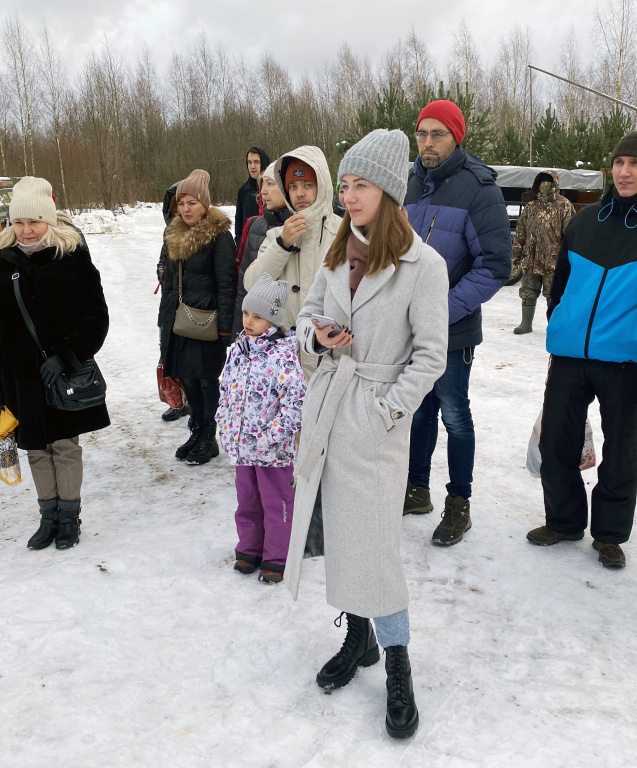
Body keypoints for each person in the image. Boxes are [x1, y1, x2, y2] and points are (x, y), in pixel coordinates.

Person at [284, 129, 449, 740]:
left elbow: (432, 356)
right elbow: (307, 316)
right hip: (329, 406)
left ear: (389, 190)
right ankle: (358, 641)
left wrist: (388, 412)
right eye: (346, 186)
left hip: (374, 422)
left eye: (360, 186)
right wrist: (316, 337)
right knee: (340, 534)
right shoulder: (335, 250)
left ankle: (399, 664)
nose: (349, 197)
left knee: (376, 549)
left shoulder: (422, 266)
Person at [527, 130, 637, 568]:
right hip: (569, 354)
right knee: (557, 441)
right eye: (619, 163)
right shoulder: (585, 220)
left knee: (620, 449)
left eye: (636, 164)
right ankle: (564, 521)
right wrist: (561, 321)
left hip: (624, 359)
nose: (625, 172)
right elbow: (561, 284)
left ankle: (608, 534)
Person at [0, 177, 110, 550]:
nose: (27, 230)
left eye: (34, 221)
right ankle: (47, 516)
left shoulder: (71, 256)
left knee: (63, 446)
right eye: (19, 222)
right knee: (34, 447)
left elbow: (96, 317)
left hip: (61, 374)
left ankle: (69, 516)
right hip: (17, 374)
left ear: (49, 220)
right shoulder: (2, 262)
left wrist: (66, 354)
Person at [402, 99, 512, 547]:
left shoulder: (479, 189)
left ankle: (458, 503)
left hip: (452, 328)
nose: (428, 143)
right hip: (406, 327)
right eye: (422, 133)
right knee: (417, 410)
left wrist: (439, 310)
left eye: (438, 134)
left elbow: (494, 266)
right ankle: (416, 488)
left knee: (454, 415)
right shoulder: (408, 180)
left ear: (456, 137)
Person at [217, 273, 305, 584]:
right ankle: (249, 549)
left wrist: (273, 436)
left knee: (276, 502)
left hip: (272, 450)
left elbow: (295, 403)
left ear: (273, 319)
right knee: (247, 499)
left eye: (258, 316)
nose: (249, 321)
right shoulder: (238, 352)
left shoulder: (283, 354)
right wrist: (225, 424)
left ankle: (277, 556)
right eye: (246, 313)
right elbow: (226, 389)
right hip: (243, 447)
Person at [158, 169, 237, 465]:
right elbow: (168, 282)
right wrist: (164, 320)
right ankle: (197, 428)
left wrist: (227, 328)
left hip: (207, 321)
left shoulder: (219, 237)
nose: (186, 209)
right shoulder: (174, 234)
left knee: (206, 379)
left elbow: (228, 283)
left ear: (205, 204)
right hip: (179, 320)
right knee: (188, 377)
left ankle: (209, 436)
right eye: (181, 203)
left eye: (192, 202)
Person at [244, 146, 341, 378]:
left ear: (323, 186)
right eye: (293, 186)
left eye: (308, 185)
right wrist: (283, 244)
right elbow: (252, 284)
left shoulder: (343, 234)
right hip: (283, 363)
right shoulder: (276, 235)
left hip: (330, 359)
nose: (299, 193)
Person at [511, 170, 576, 334]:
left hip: (553, 261)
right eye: (542, 182)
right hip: (530, 259)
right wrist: (516, 255)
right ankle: (526, 324)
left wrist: (567, 259)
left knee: (553, 295)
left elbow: (572, 234)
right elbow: (520, 232)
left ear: (555, 184)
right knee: (527, 291)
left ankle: (554, 326)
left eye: (548, 182)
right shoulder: (531, 206)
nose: (545, 185)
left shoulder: (564, 205)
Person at [233, 166, 292, 336]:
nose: (263, 191)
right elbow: (245, 282)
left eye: (270, 184)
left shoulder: (306, 227)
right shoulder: (255, 225)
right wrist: (239, 328)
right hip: (256, 333)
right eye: (262, 184)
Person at [156, 179, 190, 424]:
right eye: (175, 208)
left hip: (190, 307)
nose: (179, 212)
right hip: (169, 304)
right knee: (168, 354)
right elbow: (162, 263)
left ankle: (191, 403)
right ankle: (176, 401)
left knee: (188, 357)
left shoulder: (199, 232)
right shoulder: (169, 233)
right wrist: (164, 275)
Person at [235, 147, 271, 245]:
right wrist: (239, 242)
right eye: (249, 162)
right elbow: (239, 220)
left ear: (263, 163)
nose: (252, 166)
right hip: (248, 245)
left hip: (268, 244)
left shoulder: (275, 188)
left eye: (256, 162)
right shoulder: (243, 190)